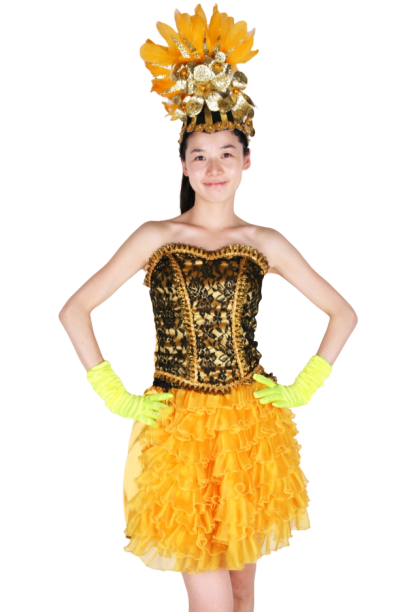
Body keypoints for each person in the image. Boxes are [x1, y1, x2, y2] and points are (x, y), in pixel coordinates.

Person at [58, 4, 359, 612]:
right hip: (177, 425)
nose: (214, 167)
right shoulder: (156, 236)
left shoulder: (264, 241)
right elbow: (75, 310)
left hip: (249, 424)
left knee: (243, 592)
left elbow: (343, 313)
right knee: (212, 599)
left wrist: (305, 385)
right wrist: (115, 395)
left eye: (226, 153)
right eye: (200, 155)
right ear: (184, 165)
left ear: (247, 159)